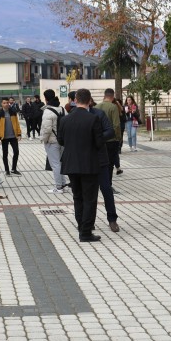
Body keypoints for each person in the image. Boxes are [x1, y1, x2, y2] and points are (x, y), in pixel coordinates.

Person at [57, 88, 106, 243]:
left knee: (77, 197)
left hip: (71, 163)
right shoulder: (93, 119)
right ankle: (85, 232)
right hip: (89, 164)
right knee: (90, 198)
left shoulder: (65, 119)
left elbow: (61, 141)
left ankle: (80, 226)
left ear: (75, 100)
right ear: (89, 101)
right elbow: (99, 143)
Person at [88, 93, 120, 233]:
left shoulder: (99, 114)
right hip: (85, 161)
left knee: (106, 189)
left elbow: (110, 131)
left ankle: (112, 219)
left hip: (101, 158)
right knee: (89, 193)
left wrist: (97, 139)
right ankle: (89, 222)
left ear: (90, 101)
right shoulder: (74, 115)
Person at [40, 89, 67, 193]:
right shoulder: (63, 109)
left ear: (46, 99)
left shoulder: (47, 111)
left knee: (55, 164)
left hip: (52, 141)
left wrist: (44, 140)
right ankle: (63, 184)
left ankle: (59, 187)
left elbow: (46, 129)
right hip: (62, 140)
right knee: (60, 163)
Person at [98, 89, 124, 177]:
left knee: (100, 163)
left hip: (99, 139)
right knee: (110, 164)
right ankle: (108, 184)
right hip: (111, 139)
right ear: (112, 97)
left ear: (104, 96)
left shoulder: (96, 107)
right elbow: (116, 125)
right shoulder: (113, 107)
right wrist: (118, 138)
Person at [0, 98, 22, 176]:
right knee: (5, 154)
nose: (6, 104)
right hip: (4, 137)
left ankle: (14, 169)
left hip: (13, 136)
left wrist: (19, 134)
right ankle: (7, 170)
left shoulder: (13, 112)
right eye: (4, 103)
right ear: (1, 104)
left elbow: (17, 124)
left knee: (16, 152)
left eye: (7, 103)